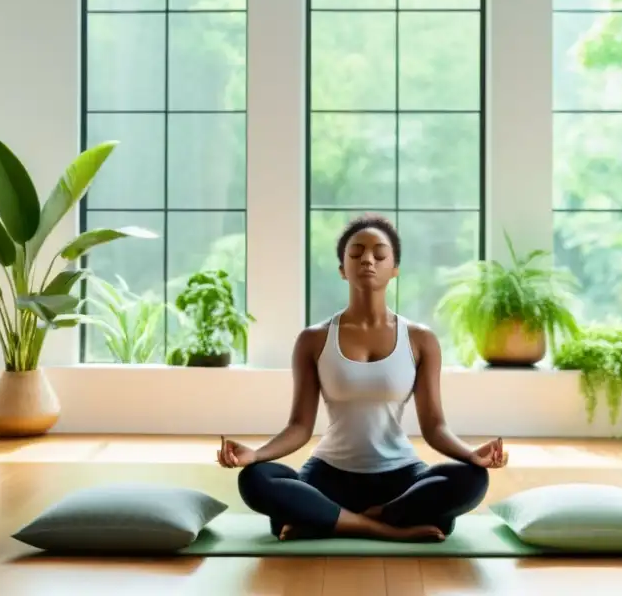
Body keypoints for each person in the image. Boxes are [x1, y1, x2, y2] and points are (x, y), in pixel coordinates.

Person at [217, 214, 508, 543]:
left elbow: (435, 427)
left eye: (379, 255)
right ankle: (385, 528)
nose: (367, 260)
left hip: (399, 476)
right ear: (342, 269)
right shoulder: (313, 340)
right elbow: (299, 426)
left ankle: (332, 520)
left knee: (472, 479)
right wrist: (255, 455)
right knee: (255, 479)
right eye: (356, 254)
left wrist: (471, 455)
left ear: (394, 268)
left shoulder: (420, 339)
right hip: (329, 474)